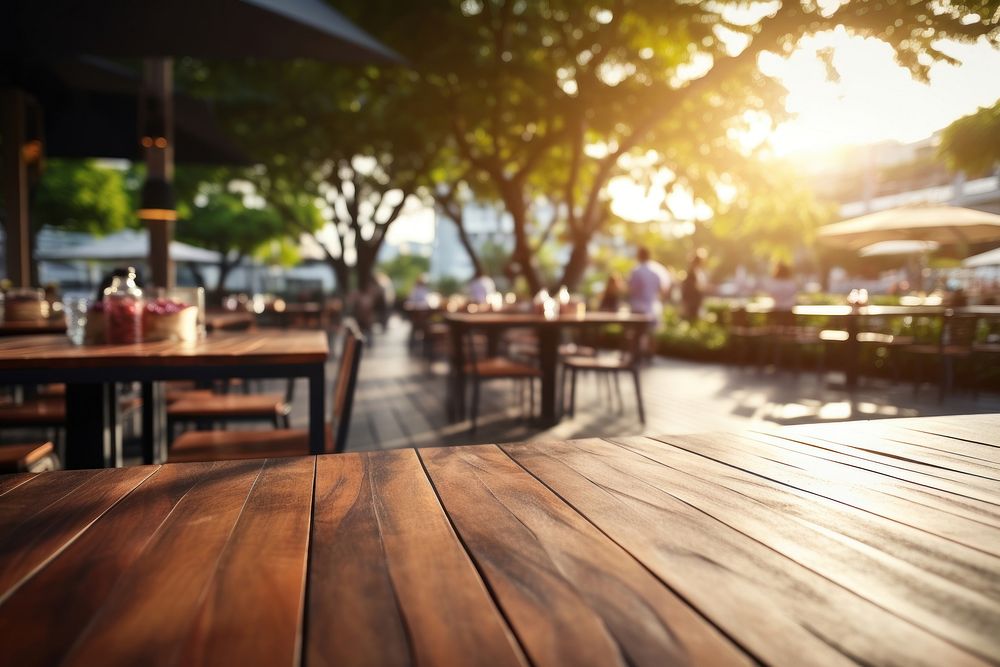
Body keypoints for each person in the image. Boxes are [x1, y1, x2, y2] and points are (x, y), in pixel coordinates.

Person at [628, 247, 671, 359]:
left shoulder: (637, 271)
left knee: (637, 333)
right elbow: (663, 290)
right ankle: (650, 355)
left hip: (638, 306)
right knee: (651, 333)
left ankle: (636, 355)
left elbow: (632, 289)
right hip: (652, 307)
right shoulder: (657, 271)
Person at [680, 249, 707, 321]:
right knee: (692, 319)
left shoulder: (696, 272)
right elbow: (691, 288)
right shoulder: (691, 273)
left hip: (695, 301)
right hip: (693, 302)